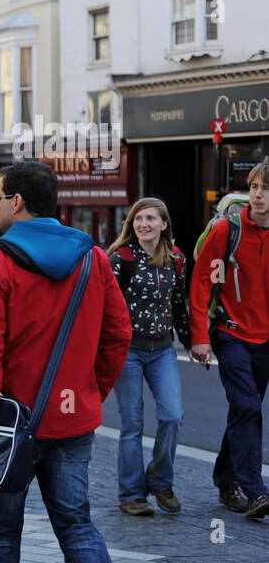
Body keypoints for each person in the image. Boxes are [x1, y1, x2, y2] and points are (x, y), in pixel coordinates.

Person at [0, 162, 135, 563]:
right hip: (72, 418)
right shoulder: (93, 260)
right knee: (76, 523)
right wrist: (87, 393)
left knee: (1, 529)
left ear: (16, 202)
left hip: (10, 422)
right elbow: (117, 335)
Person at [189, 160, 269, 520]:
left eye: (266, 188)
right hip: (231, 333)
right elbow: (201, 283)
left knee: (244, 411)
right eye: (254, 187)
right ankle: (255, 491)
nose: (258, 194)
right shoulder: (228, 229)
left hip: (266, 339)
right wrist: (199, 337)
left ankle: (225, 478)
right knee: (249, 408)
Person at [106, 198, 190, 516]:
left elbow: (179, 306)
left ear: (164, 224)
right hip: (127, 350)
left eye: (151, 219)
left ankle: (160, 481)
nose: (144, 224)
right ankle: (131, 494)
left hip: (163, 350)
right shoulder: (121, 258)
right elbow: (105, 307)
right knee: (132, 423)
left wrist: (194, 342)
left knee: (172, 415)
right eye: (138, 219)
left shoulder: (177, 260)